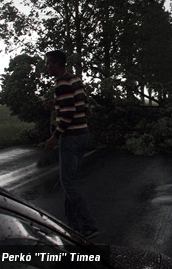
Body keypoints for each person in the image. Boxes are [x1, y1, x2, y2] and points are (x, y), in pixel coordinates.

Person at [44, 50, 99, 239]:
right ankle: (72, 226)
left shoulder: (61, 83)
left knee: (67, 182)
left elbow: (68, 113)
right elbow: (82, 105)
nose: (47, 67)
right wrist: (56, 105)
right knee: (70, 181)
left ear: (57, 64)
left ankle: (88, 225)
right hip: (83, 134)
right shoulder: (75, 80)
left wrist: (55, 136)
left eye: (49, 63)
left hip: (70, 137)